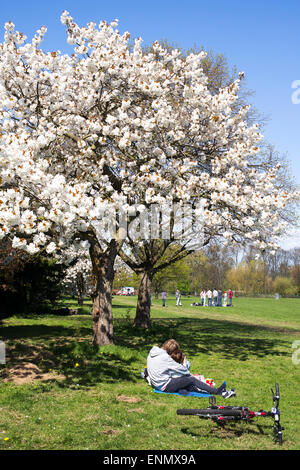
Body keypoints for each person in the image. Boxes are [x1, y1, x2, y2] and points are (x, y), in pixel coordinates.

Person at [146, 339, 235, 398]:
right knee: (191, 379)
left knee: (183, 381)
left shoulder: (153, 352)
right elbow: (184, 371)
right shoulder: (166, 358)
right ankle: (217, 391)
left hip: (156, 383)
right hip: (163, 386)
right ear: (172, 351)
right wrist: (184, 363)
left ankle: (183, 390)